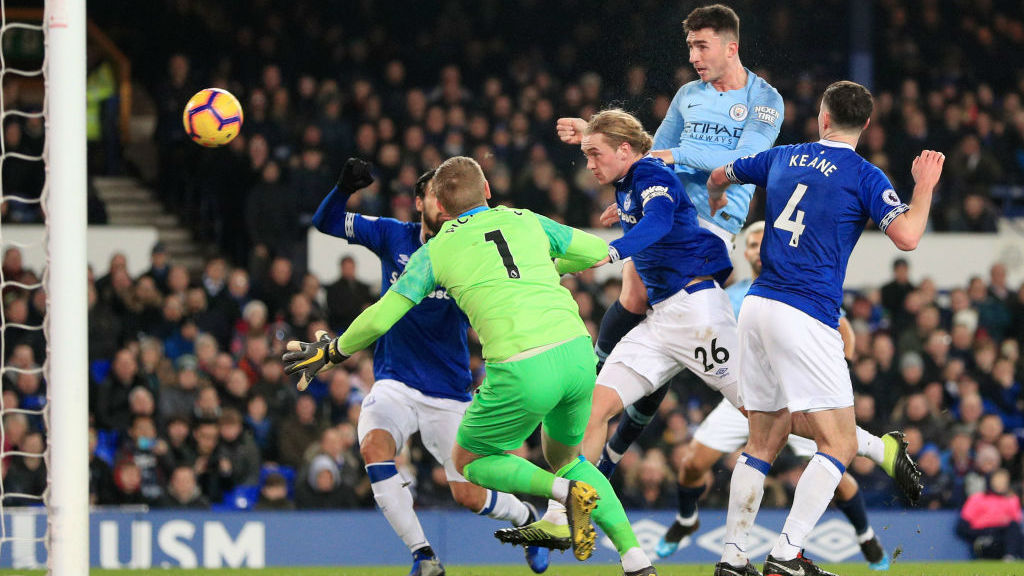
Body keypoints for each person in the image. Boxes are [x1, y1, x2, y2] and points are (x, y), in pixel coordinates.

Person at [287, 156, 656, 576]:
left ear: (440, 208)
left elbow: (381, 314)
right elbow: (597, 252)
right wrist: (545, 266)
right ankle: (636, 560)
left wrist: (333, 351)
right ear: (487, 190)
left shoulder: (437, 250)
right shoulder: (525, 219)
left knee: (469, 462)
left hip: (520, 367)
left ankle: (565, 493)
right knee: (570, 457)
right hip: (575, 354)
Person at [706, 80, 944, 576]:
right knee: (836, 444)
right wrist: (922, 189)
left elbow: (722, 173)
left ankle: (732, 558)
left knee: (762, 442)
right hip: (806, 313)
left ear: (823, 117)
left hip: (757, 306)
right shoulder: (864, 174)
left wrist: (714, 196)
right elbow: (907, 237)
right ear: (867, 126)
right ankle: (786, 555)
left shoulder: (783, 155)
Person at [310, 158, 547, 575]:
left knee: (469, 497)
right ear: (420, 202)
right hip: (395, 382)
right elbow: (325, 221)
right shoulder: (391, 234)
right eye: (438, 196)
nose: (445, 204)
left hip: (450, 392)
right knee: (373, 449)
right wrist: (343, 188)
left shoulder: (470, 249)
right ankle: (423, 554)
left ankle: (526, 517)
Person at [555, 3, 783, 378]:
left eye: (702, 46)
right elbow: (650, 153)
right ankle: (597, 386)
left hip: (711, 221)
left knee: (650, 305)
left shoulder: (765, 99)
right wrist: (626, 184)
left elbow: (744, 159)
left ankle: (595, 381)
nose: (693, 57)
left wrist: (676, 155)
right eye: (690, 46)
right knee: (640, 302)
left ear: (730, 47)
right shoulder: (688, 94)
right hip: (667, 207)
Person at [652, 222, 890, 570]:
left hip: (797, 399)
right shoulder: (729, 296)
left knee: (837, 471)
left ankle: (865, 534)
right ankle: (688, 518)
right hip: (747, 396)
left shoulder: (798, 285)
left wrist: (838, 373)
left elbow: (842, 329)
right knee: (691, 464)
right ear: (746, 253)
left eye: (765, 242)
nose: (758, 248)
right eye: (752, 243)